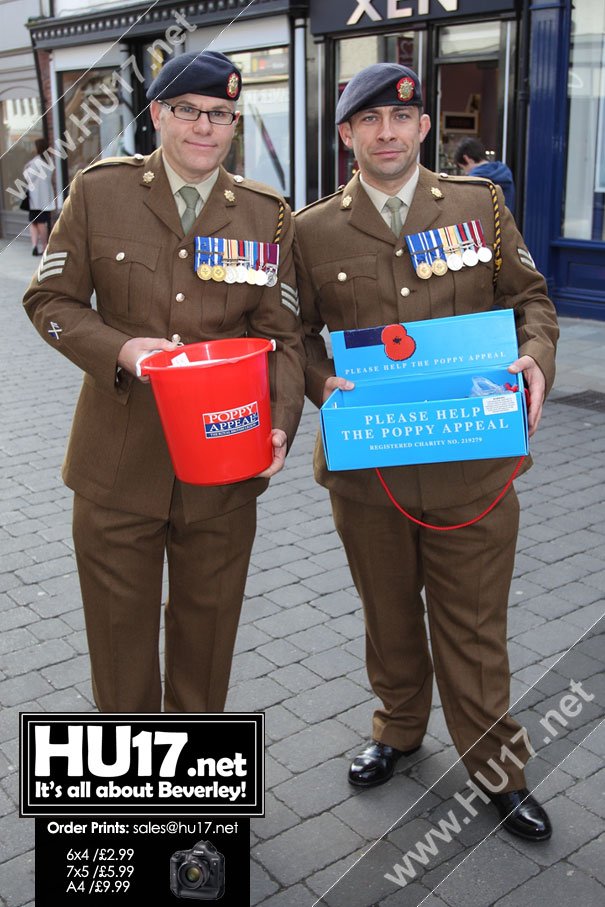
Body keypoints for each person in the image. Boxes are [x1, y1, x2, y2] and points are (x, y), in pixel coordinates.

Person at [295, 63, 558, 841]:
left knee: (474, 624)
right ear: (346, 135)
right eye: (368, 122)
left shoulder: (479, 206)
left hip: (471, 467)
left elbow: (529, 300)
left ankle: (496, 768)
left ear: (420, 129)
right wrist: (318, 382)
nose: (386, 133)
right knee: (387, 614)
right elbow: (295, 335)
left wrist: (535, 358)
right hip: (369, 468)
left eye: (400, 120)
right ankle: (398, 728)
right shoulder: (309, 231)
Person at [23, 51, 305, 713]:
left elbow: (283, 338)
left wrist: (281, 420)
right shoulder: (99, 190)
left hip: (225, 462)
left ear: (234, 123)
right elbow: (49, 302)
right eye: (189, 111)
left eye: (221, 115)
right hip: (117, 462)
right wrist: (120, 349)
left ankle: (191, 776)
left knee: (206, 641)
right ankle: (135, 776)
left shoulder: (266, 215)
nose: (206, 127)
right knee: (119, 644)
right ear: (158, 115)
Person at [454, 136, 516, 214]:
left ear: (467, 159)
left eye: (463, 168)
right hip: (506, 224)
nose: (466, 173)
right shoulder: (504, 171)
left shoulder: (473, 180)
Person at [25, 138, 56, 255]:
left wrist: (27, 167)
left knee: (36, 222)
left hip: (35, 198)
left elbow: (28, 178)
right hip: (46, 197)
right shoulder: (49, 161)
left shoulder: (36, 161)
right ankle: (44, 246)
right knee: (41, 221)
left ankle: (37, 245)